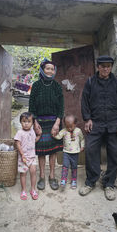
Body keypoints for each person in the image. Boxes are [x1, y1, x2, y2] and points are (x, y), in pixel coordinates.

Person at [79, 55, 117, 200]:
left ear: (111, 67)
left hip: (113, 123)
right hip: (95, 123)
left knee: (114, 153)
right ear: (98, 67)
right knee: (91, 150)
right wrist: (87, 119)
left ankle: (109, 184)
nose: (106, 68)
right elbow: (84, 101)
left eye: (108, 66)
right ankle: (91, 181)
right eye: (103, 66)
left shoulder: (116, 83)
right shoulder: (90, 82)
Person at [29, 58, 64, 191]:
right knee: (41, 152)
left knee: (53, 151)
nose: (50, 71)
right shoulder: (36, 85)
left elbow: (61, 107)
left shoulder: (57, 86)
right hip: (40, 122)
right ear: (43, 70)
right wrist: (34, 122)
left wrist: (57, 122)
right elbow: (31, 106)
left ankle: (52, 176)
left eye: (52, 69)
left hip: (54, 122)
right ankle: (42, 177)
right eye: (47, 68)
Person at [14, 112, 41, 200]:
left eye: (28, 121)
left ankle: (33, 189)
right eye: (24, 121)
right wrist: (22, 155)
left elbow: (34, 140)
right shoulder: (19, 132)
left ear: (32, 123)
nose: (26, 123)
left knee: (33, 172)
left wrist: (39, 135)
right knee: (23, 174)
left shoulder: (32, 131)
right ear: (20, 122)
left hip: (32, 157)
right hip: (23, 158)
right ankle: (23, 190)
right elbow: (17, 144)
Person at [53, 115, 85, 189]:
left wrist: (82, 146)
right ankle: (63, 180)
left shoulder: (78, 131)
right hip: (66, 153)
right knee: (65, 166)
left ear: (75, 124)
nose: (69, 128)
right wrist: (54, 135)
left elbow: (82, 139)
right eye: (67, 126)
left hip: (75, 153)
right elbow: (59, 136)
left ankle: (74, 180)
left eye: (71, 126)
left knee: (74, 167)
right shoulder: (64, 131)